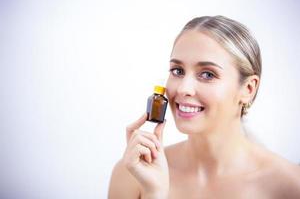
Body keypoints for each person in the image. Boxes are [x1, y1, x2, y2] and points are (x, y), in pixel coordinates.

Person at [108, 16, 300, 199]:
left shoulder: (290, 185)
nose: (183, 89)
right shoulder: (134, 173)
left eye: (208, 74)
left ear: (248, 89)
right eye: (178, 71)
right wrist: (155, 193)